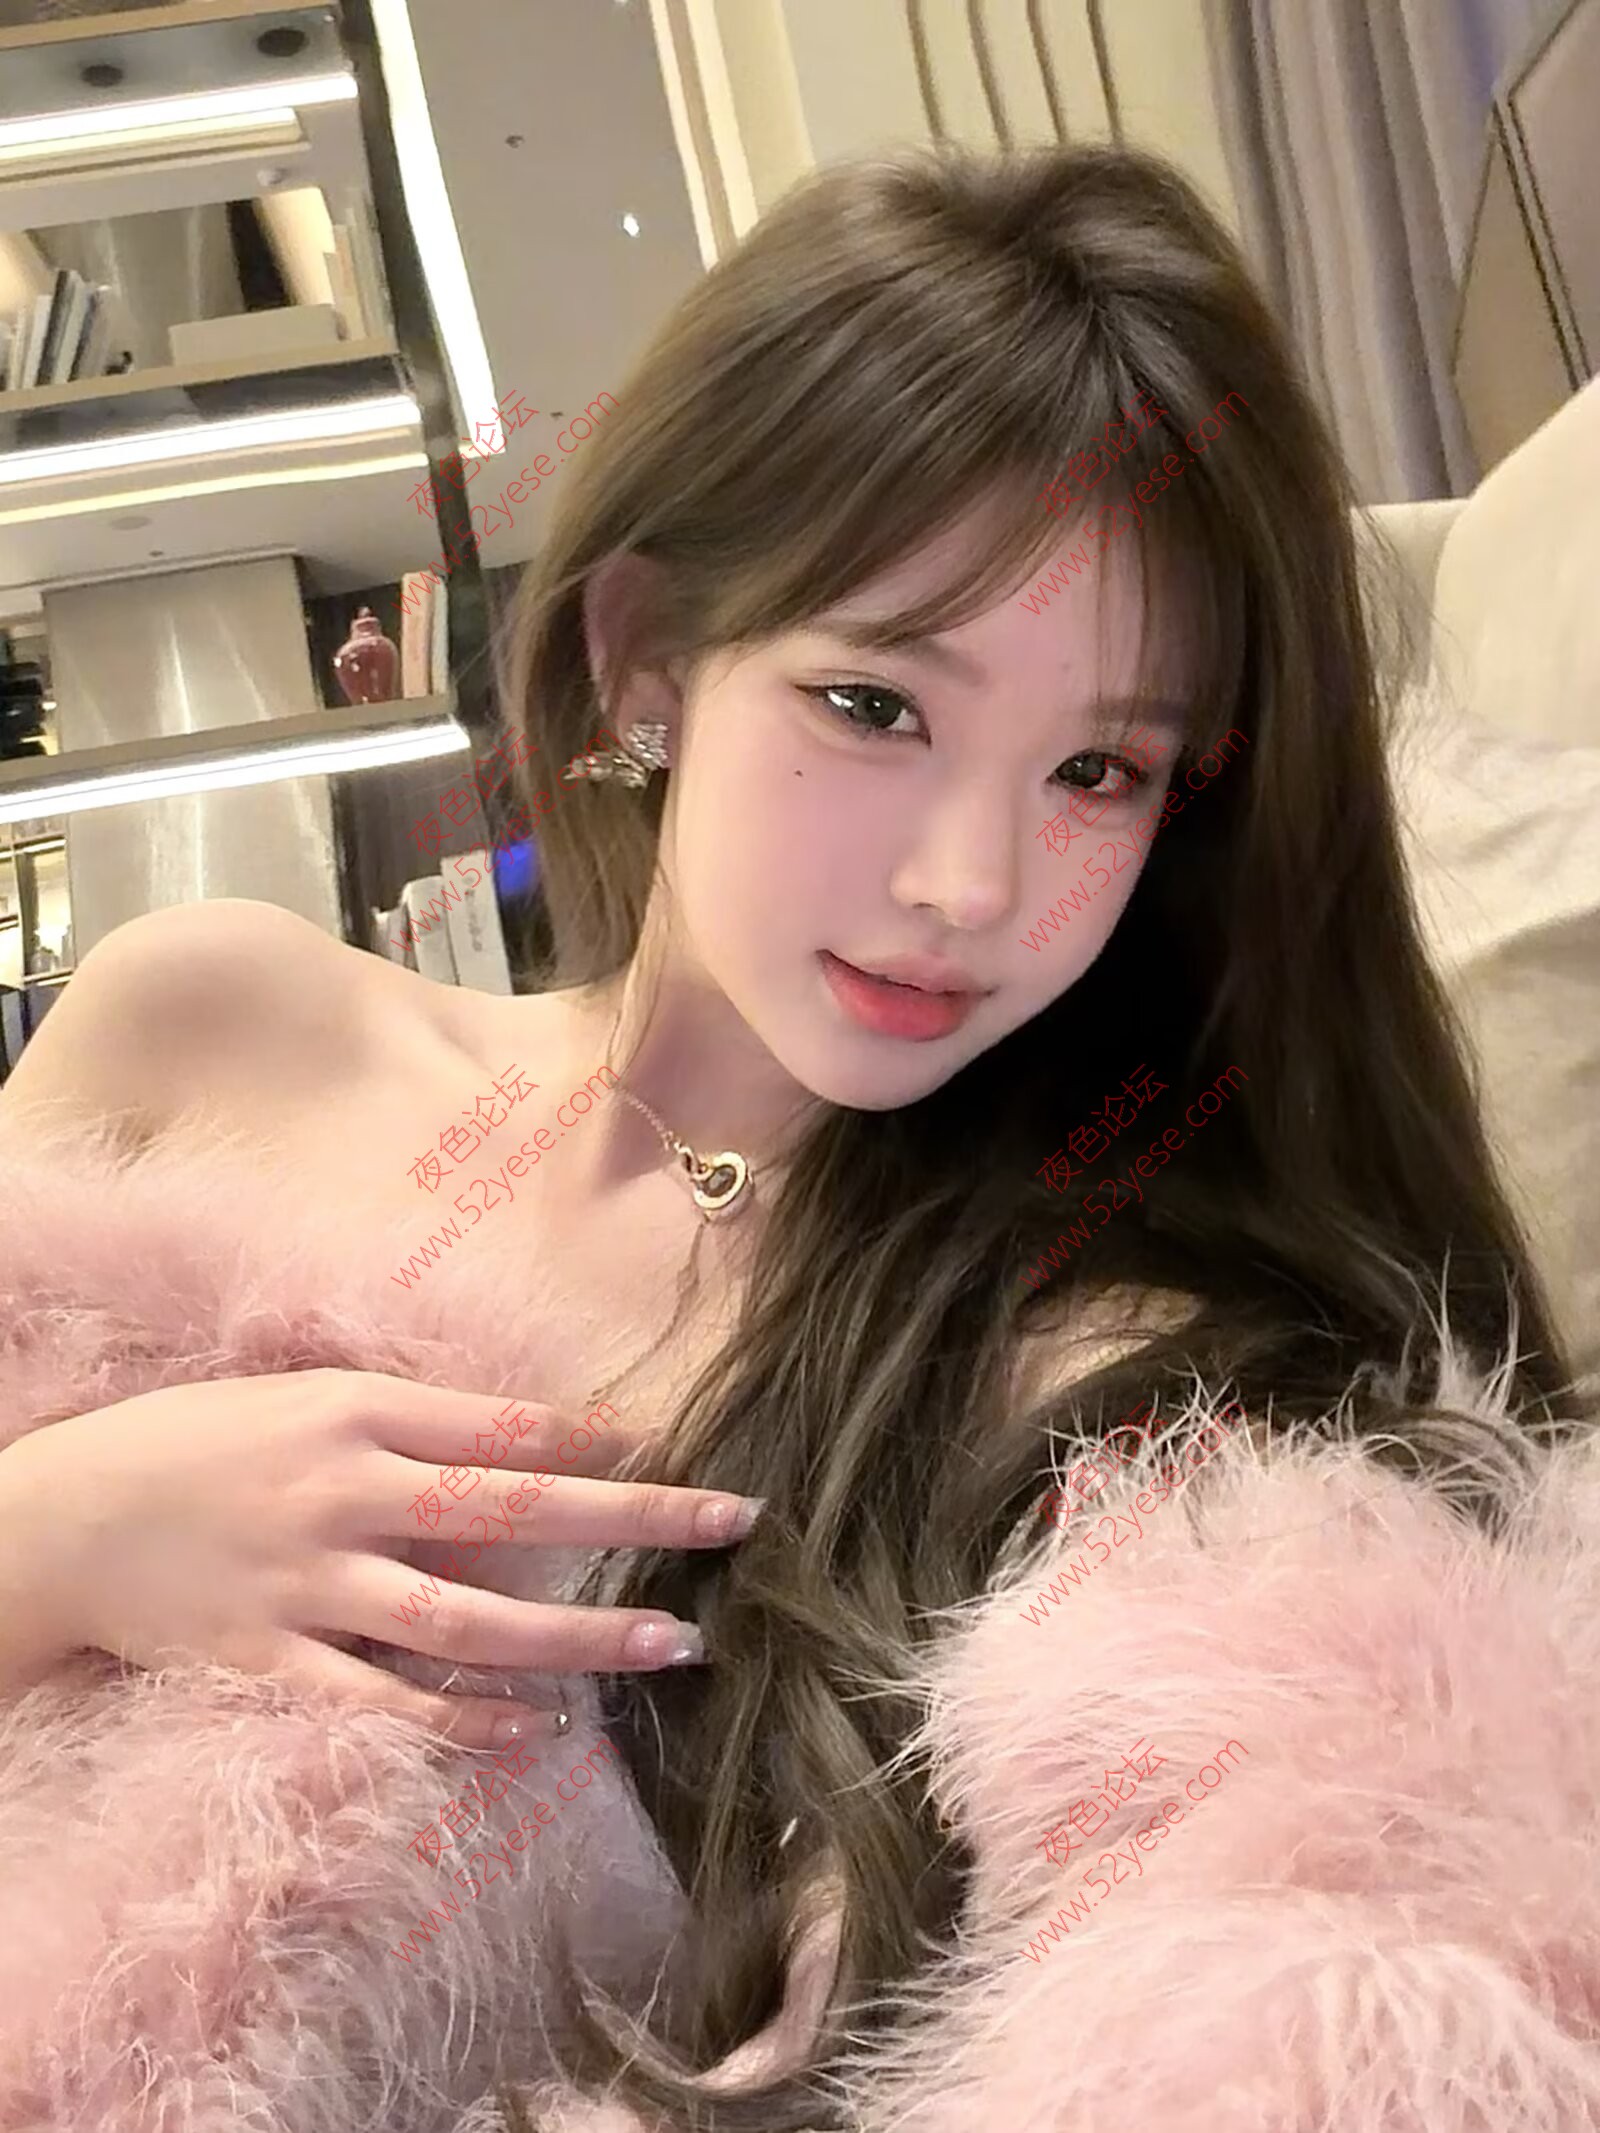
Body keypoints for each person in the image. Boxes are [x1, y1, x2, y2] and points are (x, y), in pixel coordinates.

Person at [0, 143, 1592, 2133]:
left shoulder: (1102, 1389)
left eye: (1097, 767)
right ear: (645, 656)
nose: (969, 881)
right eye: (875, 704)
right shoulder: (208, 1032)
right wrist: (61, 1532)